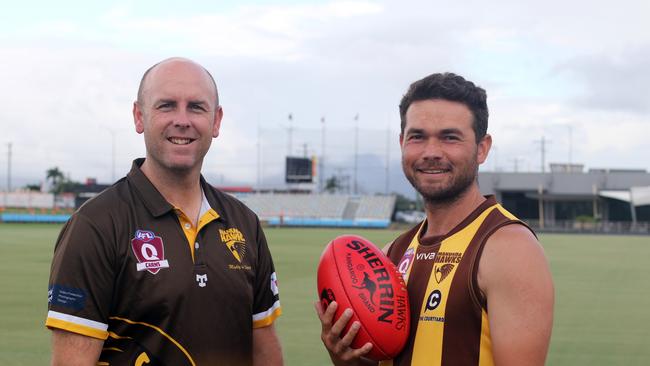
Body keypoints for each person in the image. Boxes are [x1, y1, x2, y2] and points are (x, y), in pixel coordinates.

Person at [46, 57, 283, 366]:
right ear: (139, 116)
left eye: (196, 107)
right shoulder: (95, 226)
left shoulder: (244, 224)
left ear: (216, 121)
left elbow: (265, 352)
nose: (182, 120)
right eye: (166, 105)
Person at [316, 72, 554, 366]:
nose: (431, 152)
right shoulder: (392, 253)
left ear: (482, 148)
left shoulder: (509, 248)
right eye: (417, 137)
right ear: (402, 142)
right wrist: (346, 359)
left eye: (449, 137)